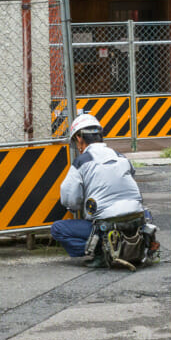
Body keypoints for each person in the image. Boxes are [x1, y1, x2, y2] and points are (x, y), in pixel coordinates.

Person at [50, 113, 150, 266]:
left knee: (58, 228)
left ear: (79, 138)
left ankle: (101, 252)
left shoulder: (81, 162)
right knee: (144, 212)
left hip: (105, 226)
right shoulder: (121, 157)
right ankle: (140, 245)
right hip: (136, 221)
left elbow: (69, 199)